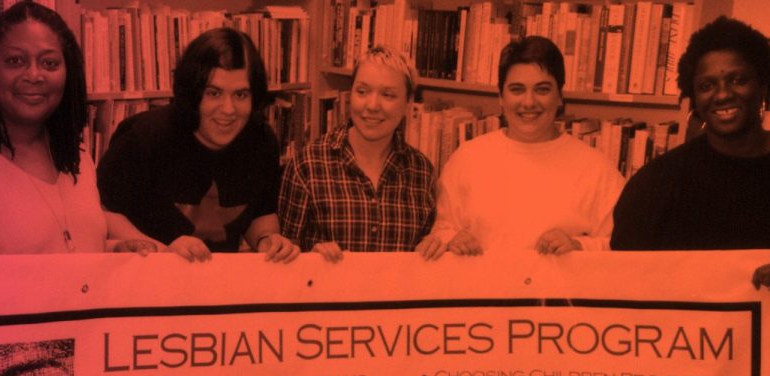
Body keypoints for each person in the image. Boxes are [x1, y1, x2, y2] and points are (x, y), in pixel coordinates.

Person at [0, 2, 157, 256]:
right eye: (15, 61)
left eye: (49, 63)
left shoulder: (76, 156)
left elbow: (64, 245)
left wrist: (113, 250)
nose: (34, 75)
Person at [98, 27, 298, 263]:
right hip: (144, 283)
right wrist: (161, 251)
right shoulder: (143, 137)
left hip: (220, 286)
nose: (228, 109)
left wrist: (267, 240)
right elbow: (103, 213)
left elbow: (260, 213)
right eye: (214, 93)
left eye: (241, 95)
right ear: (193, 92)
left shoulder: (262, 140)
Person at [609, 17, 770, 290]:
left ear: (763, 86)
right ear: (694, 98)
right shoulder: (655, 184)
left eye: (738, 79)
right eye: (706, 86)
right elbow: (624, 280)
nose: (722, 95)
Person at [428, 36, 625, 256]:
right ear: (501, 97)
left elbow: (620, 245)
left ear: (560, 96)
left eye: (542, 90)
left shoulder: (595, 168)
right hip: (480, 290)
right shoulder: (467, 158)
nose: (529, 102)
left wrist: (579, 246)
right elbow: (441, 231)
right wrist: (452, 241)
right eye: (517, 89)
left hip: (561, 290)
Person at [279, 46, 437, 263]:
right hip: (325, 293)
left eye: (388, 95)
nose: (372, 106)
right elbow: (285, 254)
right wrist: (310, 260)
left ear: (408, 103)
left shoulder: (422, 171)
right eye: (362, 92)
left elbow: (425, 253)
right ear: (350, 94)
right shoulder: (308, 164)